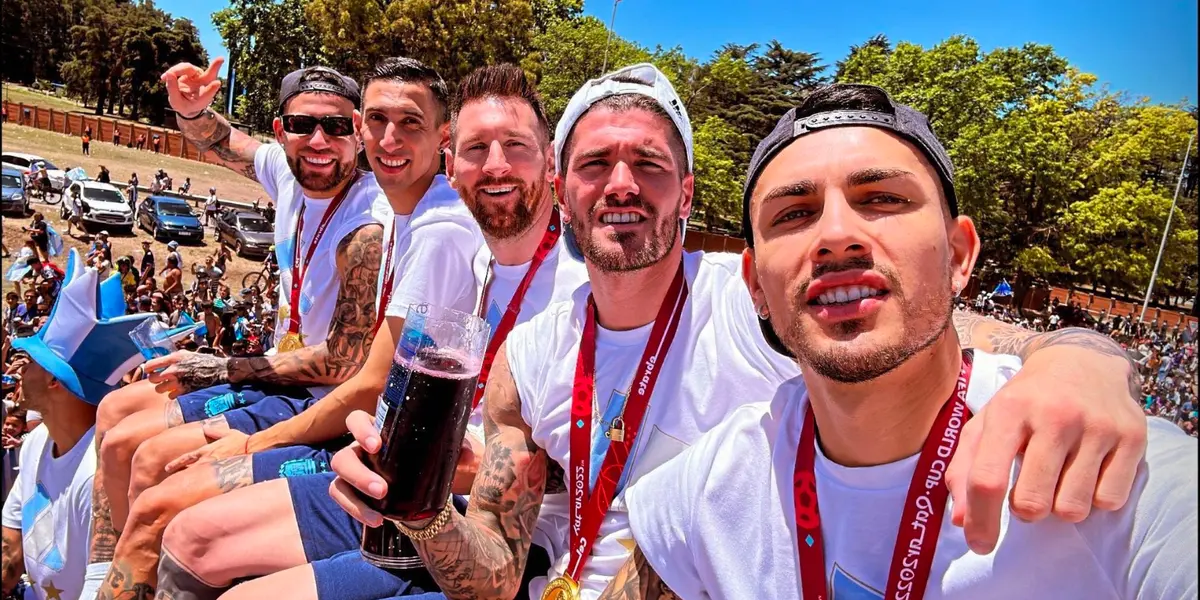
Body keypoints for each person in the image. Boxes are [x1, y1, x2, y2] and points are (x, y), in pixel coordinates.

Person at [327, 64, 1151, 600]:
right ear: (562, 193)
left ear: (685, 197)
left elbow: (933, 319)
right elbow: (499, 575)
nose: (621, 186)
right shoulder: (528, 357)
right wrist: (426, 510)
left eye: (648, 166)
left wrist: (1076, 362)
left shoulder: (749, 303)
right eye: (595, 166)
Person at [583, 84, 1197, 600]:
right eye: (793, 213)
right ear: (756, 288)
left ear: (958, 255)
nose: (837, 235)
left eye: (882, 199)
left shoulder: (1118, 477)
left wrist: (1079, 355)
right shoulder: (710, 487)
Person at [155, 63, 588, 600]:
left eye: (516, 146)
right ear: (453, 164)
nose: (495, 166)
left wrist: (256, 440)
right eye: (478, 149)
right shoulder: (479, 261)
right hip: (409, 483)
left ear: (550, 162)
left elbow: (577, 469)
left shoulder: (573, 284)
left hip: (508, 533)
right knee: (189, 537)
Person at [88, 60, 391, 599]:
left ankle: (133, 575)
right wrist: (191, 110)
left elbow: (344, 363)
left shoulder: (367, 223)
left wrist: (218, 365)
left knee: (149, 454)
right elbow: (222, 139)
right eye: (303, 125)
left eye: (338, 127)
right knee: (113, 412)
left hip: (317, 395)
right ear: (282, 131)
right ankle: (97, 577)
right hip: (277, 371)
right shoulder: (285, 170)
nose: (319, 140)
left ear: (359, 135)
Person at [0, 250, 162, 600]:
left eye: (29, 363)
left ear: (54, 381)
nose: (19, 372)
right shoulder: (36, 441)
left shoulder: (102, 473)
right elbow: (11, 548)